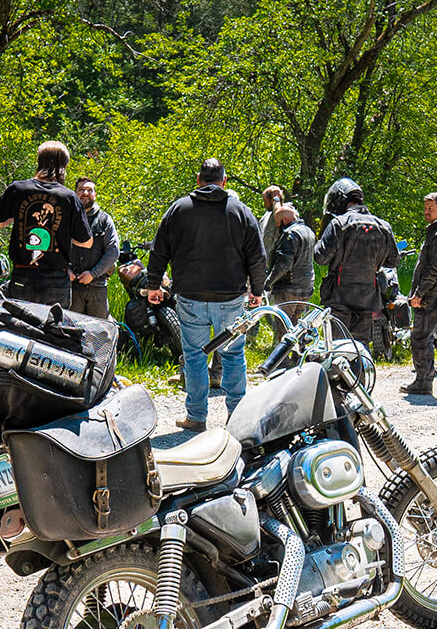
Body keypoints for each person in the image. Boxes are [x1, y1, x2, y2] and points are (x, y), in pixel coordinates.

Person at [146, 158, 265, 432]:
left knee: (195, 355)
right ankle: (237, 418)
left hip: (191, 297)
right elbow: (257, 257)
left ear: (199, 181)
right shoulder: (241, 211)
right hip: (231, 298)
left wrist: (154, 285)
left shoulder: (179, 209)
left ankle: (197, 417)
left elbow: (159, 250)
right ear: (224, 182)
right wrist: (257, 291)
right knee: (234, 355)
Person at [0, 141, 92, 308]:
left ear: (39, 162)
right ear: (64, 166)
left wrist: (21, 216)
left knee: (19, 329)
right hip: (56, 280)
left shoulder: (17, 189)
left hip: (22, 274)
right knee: (52, 330)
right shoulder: (69, 197)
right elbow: (86, 242)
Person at [313, 177, 400, 344]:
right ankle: (361, 371)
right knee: (360, 348)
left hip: (340, 297)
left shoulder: (339, 223)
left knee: (338, 348)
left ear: (339, 199)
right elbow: (394, 261)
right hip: (367, 298)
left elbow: (320, 257)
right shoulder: (383, 226)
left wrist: (321, 236)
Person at [401, 192, 437, 396]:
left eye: (430, 208)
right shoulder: (435, 231)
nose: (426, 212)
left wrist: (419, 294)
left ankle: (424, 381)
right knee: (421, 336)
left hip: (431, 295)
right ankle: (422, 379)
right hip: (430, 293)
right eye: (425, 208)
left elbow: (434, 269)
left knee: (421, 336)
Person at [69, 177, 119, 318]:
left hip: (97, 288)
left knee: (99, 333)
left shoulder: (104, 220)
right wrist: (66, 270)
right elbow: (57, 249)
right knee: (69, 333)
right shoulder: (67, 219)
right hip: (71, 287)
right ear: (75, 193)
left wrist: (93, 274)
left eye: (90, 190)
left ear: (95, 195)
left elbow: (113, 251)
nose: (85, 193)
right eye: (81, 189)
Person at [264, 203, 315, 335]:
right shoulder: (309, 231)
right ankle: (297, 355)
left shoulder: (290, 234)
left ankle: (284, 356)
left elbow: (284, 264)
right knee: (297, 328)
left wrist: (268, 283)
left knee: (284, 329)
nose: (277, 225)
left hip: (288, 289)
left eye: (277, 221)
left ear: (285, 220)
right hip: (305, 288)